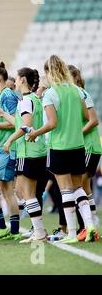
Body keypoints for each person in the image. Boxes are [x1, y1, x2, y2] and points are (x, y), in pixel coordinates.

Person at [28, 55, 96, 243]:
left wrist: (35, 133)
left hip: (60, 146)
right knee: (78, 189)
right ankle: (90, 226)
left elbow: (52, 123)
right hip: (78, 145)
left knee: (65, 190)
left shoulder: (51, 93)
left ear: (50, 72)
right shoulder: (76, 90)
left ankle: (72, 233)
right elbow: (85, 114)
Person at [1, 67, 47, 243]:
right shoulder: (32, 99)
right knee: (21, 191)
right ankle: (38, 230)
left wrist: (9, 140)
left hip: (29, 152)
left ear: (22, 80)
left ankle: (39, 232)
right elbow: (21, 122)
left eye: (18, 78)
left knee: (26, 193)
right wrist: (3, 114)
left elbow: (26, 125)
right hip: (32, 151)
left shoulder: (27, 100)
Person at [0, 62, 21, 241]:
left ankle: (13, 230)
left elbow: (16, 122)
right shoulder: (1, 95)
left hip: (8, 148)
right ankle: (5, 227)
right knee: (3, 189)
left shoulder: (7, 95)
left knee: (7, 190)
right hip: (1, 148)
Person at [69, 65, 101, 241]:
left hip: (89, 146)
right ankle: (91, 227)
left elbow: (94, 120)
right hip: (86, 146)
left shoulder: (81, 94)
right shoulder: (75, 95)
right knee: (84, 187)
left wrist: (77, 133)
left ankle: (89, 226)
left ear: (74, 77)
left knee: (79, 185)